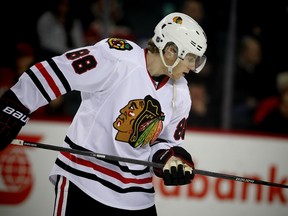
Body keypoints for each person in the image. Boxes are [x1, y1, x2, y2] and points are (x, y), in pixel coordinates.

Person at [0, 12, 207, 215]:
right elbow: (57, 71)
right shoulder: (116, 57)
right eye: (190, 58)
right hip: (83, 180)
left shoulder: (180, 93)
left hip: (137, 198)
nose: (193, 66)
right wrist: (15, 105)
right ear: (170, 51)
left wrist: (169, 160)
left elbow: (163, 142)